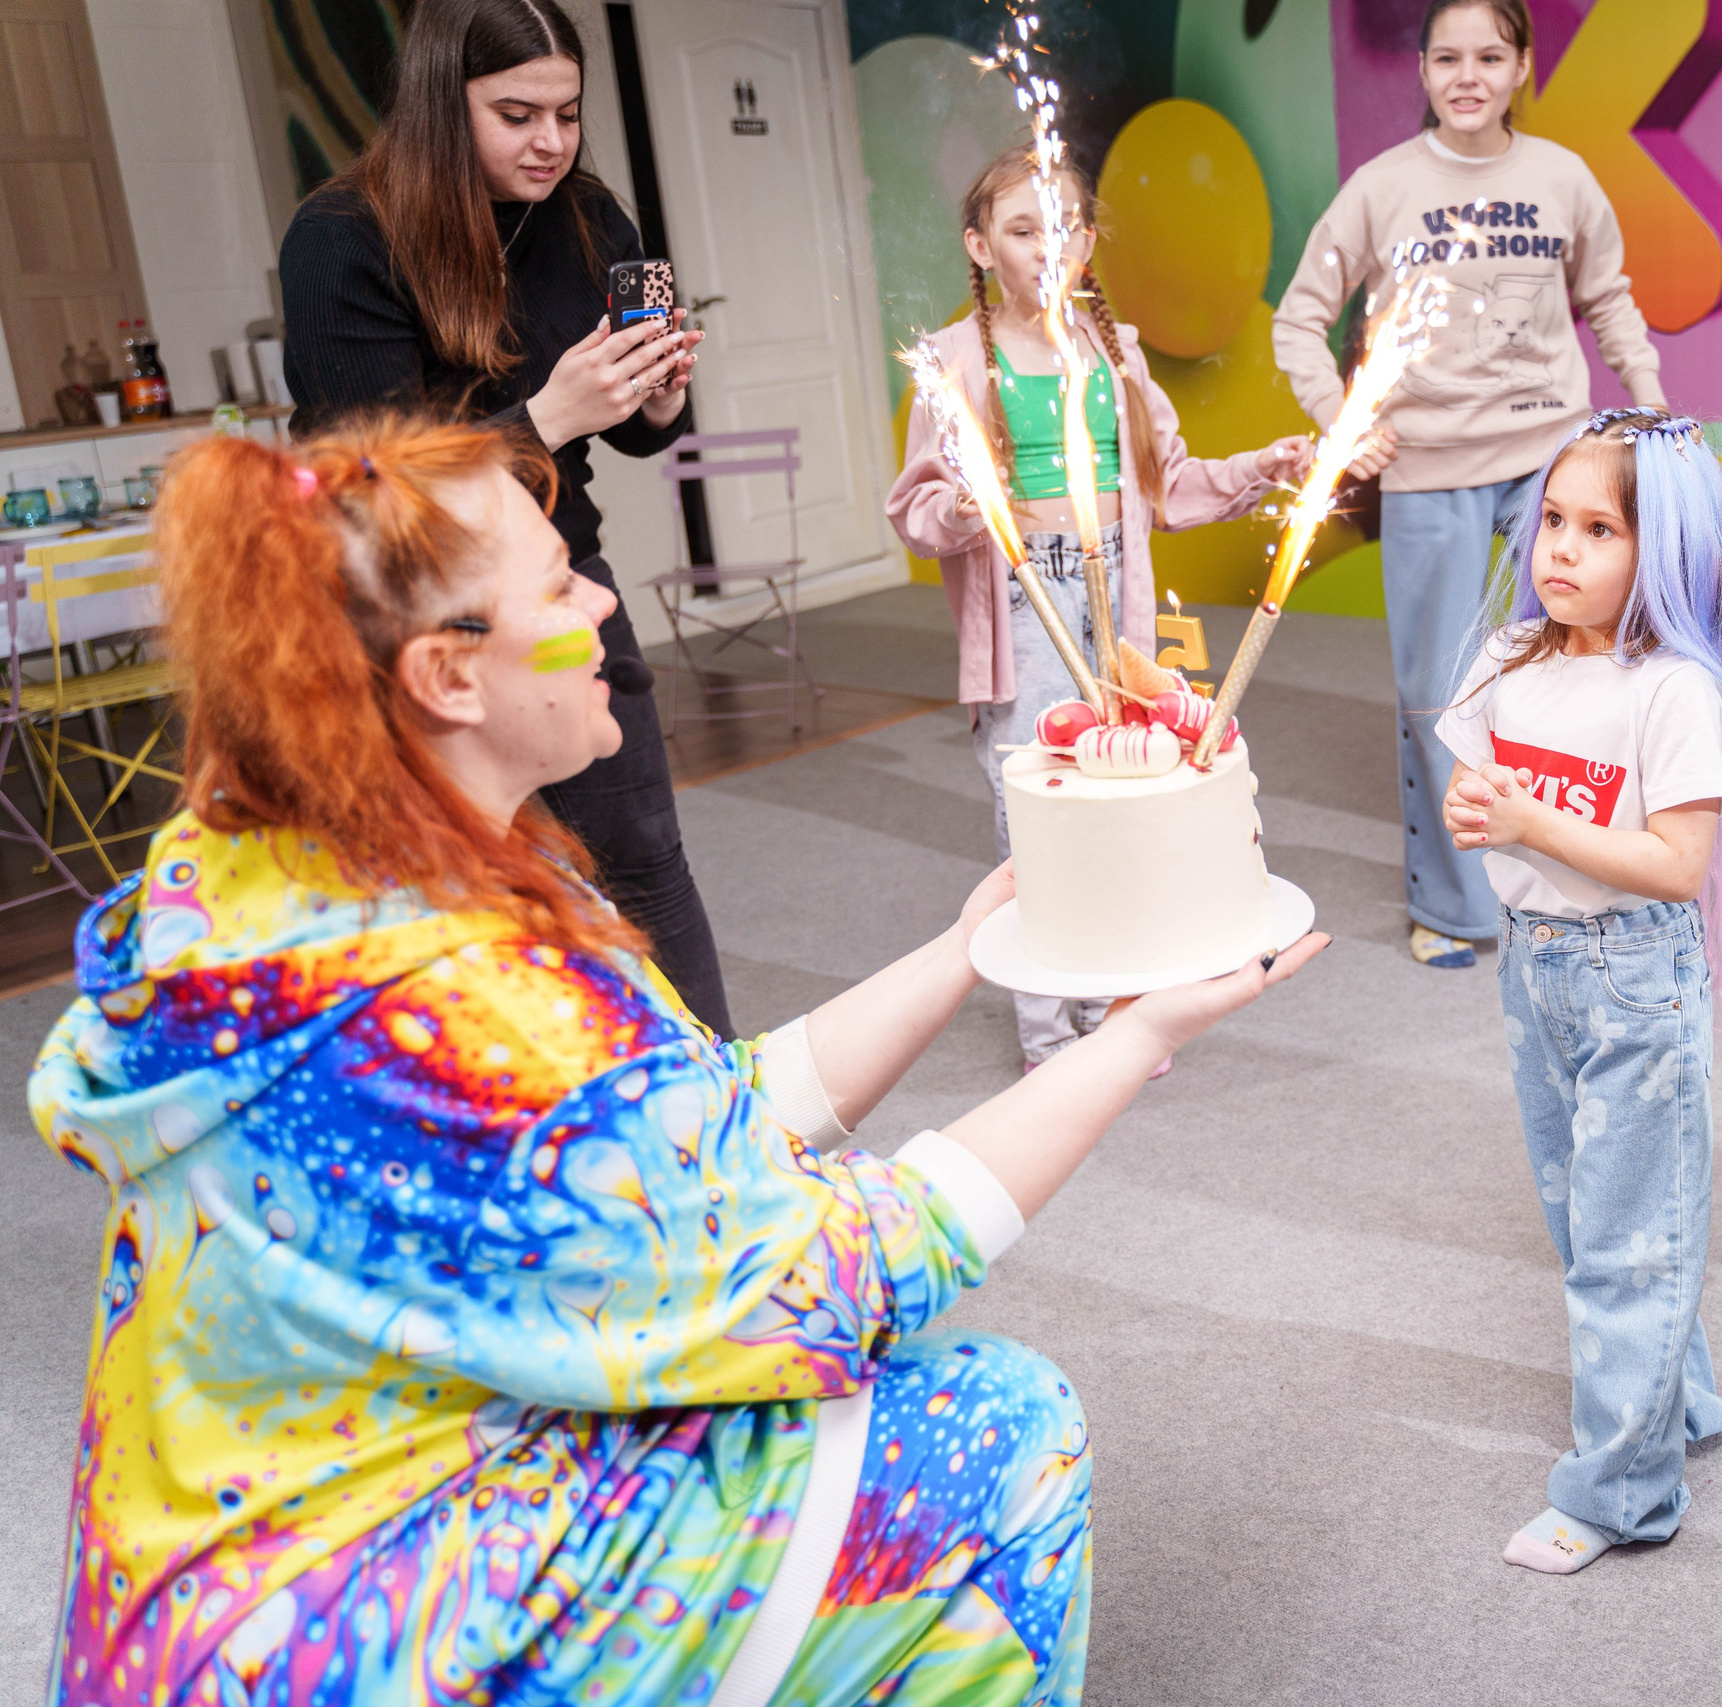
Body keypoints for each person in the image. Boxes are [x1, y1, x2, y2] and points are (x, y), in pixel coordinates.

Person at [29, 417, 1326, 1706]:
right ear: (448, 673)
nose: (602, 595)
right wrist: (1137, 1033)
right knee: (993, 1422)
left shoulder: (261, 879)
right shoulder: (474, 1008)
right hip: (353, 1630)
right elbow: (830, 1275)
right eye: (557, 582)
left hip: (178, 1600)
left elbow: (674, 1141)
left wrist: (965, 947)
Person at [279, 0, 734, 1033]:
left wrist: (656, 399)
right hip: (420, 624)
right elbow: (370, 487)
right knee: (461, 899)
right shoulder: (340, 238)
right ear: (445, 104)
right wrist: (547, 416)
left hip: (566, 582)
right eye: (518, 114)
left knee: (645, 869)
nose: (552, 143)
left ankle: (721, 1126)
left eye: (568, 114)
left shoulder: (589, 215)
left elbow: (634, 437)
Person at [1437, 408, 1722, 1574]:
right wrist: (1479, 809)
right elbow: (1480, 777)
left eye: (1598, 530)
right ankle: (1680, 1403)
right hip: (1532, 967)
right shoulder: (1512, 657)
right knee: (1584, 1221)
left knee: (1626, 1245)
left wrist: (1533, 821)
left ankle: (1621, 1492)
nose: (1559, 551)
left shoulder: (1671, 690)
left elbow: (1677, 867)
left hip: (1632, 975)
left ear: (1664, 551)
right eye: (1550, 522)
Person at [887, 145, 1314, 1072]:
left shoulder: (1111, 352)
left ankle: (1122, 1008)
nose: (1048, 246)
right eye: (1022, 227)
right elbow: (914, 510)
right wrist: (963, 511)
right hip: (1022, 602)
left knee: (1126, 803)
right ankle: (1050, 1032)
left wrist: (1259, 470)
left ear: (1087, 240)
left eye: (1065, 226)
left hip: (1111, 595)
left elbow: (1172, 485)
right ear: (980, 243)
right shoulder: (956, 361)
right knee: (1041, 819)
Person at [1274, 0, 1667, 973]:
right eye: (1446, 56)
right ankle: (1452, 907)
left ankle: (1586, 869)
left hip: (1551, 460)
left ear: (1520, 64)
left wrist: (1650, 407)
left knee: (1580, 672)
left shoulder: (1561, 177)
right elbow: (1299, 320)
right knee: (1436, 694)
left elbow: (1608, 297)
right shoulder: (1382, 186)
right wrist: (1344, 425)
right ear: (1420, 70)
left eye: (1488, 55)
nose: (1467, 74)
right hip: (1429, 470)